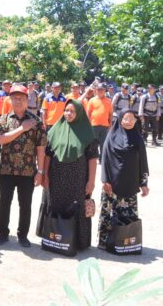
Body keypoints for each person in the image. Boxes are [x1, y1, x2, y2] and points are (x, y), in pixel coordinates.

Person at [0, 84, 46, 247]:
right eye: (15, 98)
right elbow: (0, 140)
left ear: (27, 99)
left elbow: (41, 148)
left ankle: (23, 235)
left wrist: (41, 171)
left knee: (25, 204)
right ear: (10, 99)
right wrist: (22, 129)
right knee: (4, 202)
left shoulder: (36, 121)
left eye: (21, 98)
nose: (18, 101)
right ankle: (2, 232)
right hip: (6, 169)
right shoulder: (3, 119)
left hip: (28, 170)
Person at [42, 100, 98, 250]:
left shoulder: (88, 134)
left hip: (78, 179)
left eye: (72, 111)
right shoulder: (55, 130)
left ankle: (76, 241)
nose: (68, 114)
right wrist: (45, 174)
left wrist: (91, 181)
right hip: (56, 177)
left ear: (79, 113)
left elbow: (92, 158)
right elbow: (48, 154)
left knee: (76, 206)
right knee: (55, 204)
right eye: (66, 110)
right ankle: (54, 238)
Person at [98, 110, 150, 249]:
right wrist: (105, 180)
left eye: (132, 119)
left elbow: (143, 162)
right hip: (112, 185)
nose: (129, 122)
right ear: (120, 119)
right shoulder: (111, 136)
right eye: (126, 119)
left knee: (128, 215)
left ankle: (126, 242)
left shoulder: (137, 138)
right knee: (108, 214)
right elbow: (105, 159)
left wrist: (144, 183)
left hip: (130, 185)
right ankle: (105, 241)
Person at [85, 83, 113, 156]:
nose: (100, 91)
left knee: (103, 143)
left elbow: (110, 114)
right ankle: (92, 157)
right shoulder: (92, 100)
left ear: (105, 90)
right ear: (96, 91)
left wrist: (110, 125)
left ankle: (102, 158)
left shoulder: (109, 101)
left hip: (105, 126)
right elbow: (88, 114)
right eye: (99, 89)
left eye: (102, 89)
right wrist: (88, 125)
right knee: (93, 143)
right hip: (94, 125)